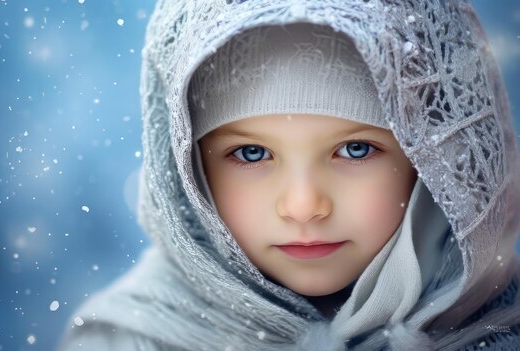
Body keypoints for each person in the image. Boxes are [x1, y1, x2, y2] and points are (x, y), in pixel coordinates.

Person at [59, 1, 520, 350]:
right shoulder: (124, 340)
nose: (302, 205)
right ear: (188, 171)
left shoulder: (502, 328)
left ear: (436, 160)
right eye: (252, 153)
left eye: (355, 149)